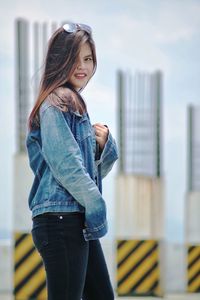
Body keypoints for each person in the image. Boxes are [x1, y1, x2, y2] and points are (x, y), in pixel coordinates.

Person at [26, 22, 118, 300]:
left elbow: (92, 170)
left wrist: (102, 145)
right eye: (75, 59)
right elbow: (67, 165)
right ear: (59, 61)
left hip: (74, 220)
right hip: (60, 219)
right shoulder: (56, 102)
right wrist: (97, 206)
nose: (83, 67)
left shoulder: (71, 102)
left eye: (88, 59)